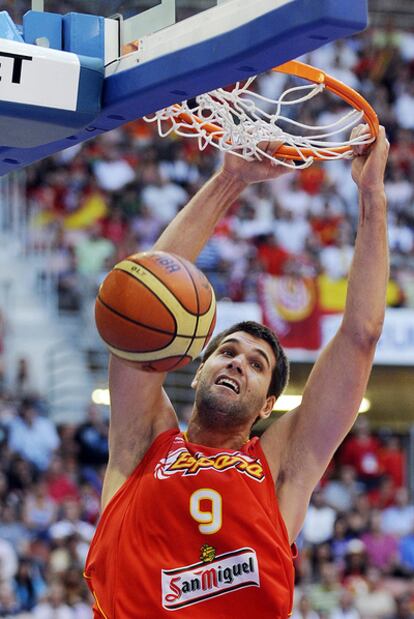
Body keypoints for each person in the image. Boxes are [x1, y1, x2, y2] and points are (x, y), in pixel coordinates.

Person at [85, 125, 390, 618]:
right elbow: (149, 287)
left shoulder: (282, 466)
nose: (236, 362)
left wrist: (372, 196)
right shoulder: (142, 441)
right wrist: (229, 180)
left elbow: (361, 336)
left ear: (269, 404)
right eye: (227, 352)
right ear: (201, 369)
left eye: (255, 364)